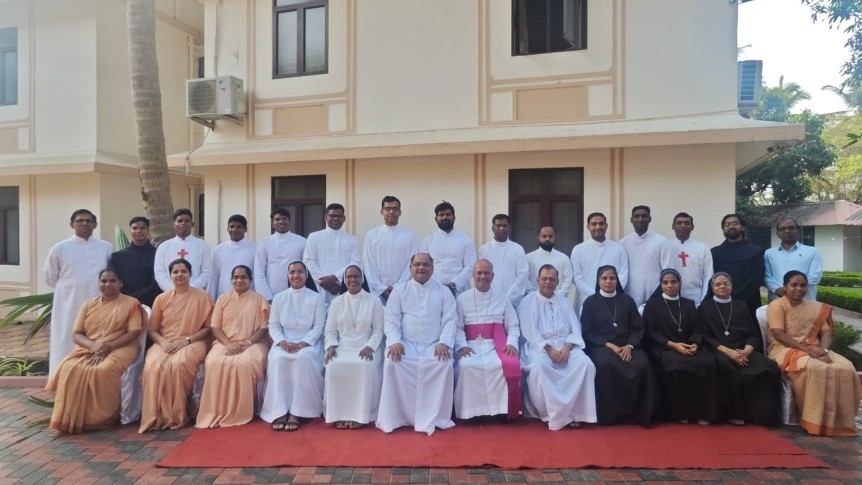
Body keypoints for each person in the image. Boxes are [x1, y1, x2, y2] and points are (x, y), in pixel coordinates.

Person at [45, 269, 143, 433]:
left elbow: (133, 333)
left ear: (121, 283)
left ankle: (103, 417)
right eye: (103, 281)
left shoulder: (131, 303)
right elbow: (76, 334)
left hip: (122, 346)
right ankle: (73, 417)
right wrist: (94, 346)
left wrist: (108, 347)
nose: (107, 284)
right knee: (69, 368)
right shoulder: (88, 305)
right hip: (90, 347)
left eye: (112, 281)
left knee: (103, 369)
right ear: (98, 284)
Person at [766, 270, 861, 436]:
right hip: (785, 349)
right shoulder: (777, 305)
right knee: (818, 369)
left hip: (815, 348)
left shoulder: (814, 307)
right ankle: (815, 421)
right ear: (785, 286)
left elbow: (826, 332)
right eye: (794, 285)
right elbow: (778, 334)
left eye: (803, 285)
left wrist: (824, 350)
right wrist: (807, 351)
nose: (799, 289)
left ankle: (841, 423)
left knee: (846, 368)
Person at [376, 252, 457, 435]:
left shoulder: (443, 291)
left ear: (432, 268)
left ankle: (435, 417)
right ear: (410, 268)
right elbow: (391, 321)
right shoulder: (400, 290)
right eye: (417, 264)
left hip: (434, 345)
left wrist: (444, 343)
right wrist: (395, 341)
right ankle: (397, 417)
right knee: (392, 363)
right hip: (406, 344)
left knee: (443, 364)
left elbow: (450, 320)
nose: (421, 268)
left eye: (426, 265)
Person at [518, 265, 597, 430]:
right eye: (544, 279)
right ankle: (549, 414)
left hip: (565, 345)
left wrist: (567, 347)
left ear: (557, 281)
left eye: (551, 279)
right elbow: (529, 331)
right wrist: (548, 349)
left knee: (585, 364)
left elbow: (575, 328)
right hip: (538, 347)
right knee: (540, 367)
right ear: (537, 280)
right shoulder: (528, 301)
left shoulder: (564, 301)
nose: (548, 282)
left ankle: (576, 413)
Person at [139, 259, 213, 432]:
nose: (180, 275)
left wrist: (186, 340)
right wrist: (164, 343)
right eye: (175, 272)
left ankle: (176, 414)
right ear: (170, 275)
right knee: (152, 366)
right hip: (165, 342)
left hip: (194, 341)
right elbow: (152, 330)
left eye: (183, 271)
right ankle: (156, 415)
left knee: (179, 364)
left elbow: (209, 328)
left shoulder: (202, 296)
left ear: (190, 274)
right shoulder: (161, 298)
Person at [581, 265, 657, 427]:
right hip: (602, 346)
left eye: (612, 278)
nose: (608, 281)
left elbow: (638, 328)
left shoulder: (627, 301)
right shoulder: (590, 302)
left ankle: (638, 414)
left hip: (628, 345)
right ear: (598, 281)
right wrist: (611, 346)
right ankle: (609, 415)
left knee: (642, 363)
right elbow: (588, 332)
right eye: (604, 278)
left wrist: (629, 345)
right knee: (605, 364)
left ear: (617, 280)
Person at [700, 272, 779, 426]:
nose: (722, 286)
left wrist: (747, 351)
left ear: (732, 286)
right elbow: (706, 336)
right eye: (718, 284)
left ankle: (759, 414)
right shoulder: (705, 308)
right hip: (719, 350)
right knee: (729, 369)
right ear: (712, 288)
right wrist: (729, 352)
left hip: (743, 350)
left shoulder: (741, 305)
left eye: (726, 283)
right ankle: (734, 414)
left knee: (768, 367)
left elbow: (753, 333)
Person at [196, 265, 270, 428]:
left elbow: (263, 328)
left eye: (243, 277)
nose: (239, 280)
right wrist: (228, 344)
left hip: (253, 343)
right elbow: (215, 327)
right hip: (225, 342)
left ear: (250, 280)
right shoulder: (223, 299)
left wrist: (248, 343)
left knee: (246, 363)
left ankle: (242, 411)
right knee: (213, 362)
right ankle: (218, 410)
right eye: (236, 277)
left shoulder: (259, 299)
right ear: (231, 280)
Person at [643, 269, 718, 424]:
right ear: (661, 285)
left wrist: (695, 344)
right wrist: (674, 346)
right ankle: (680, 413)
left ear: (680, 284)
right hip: (664, 347)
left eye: (673, 282)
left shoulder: (689, 304)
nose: (670, 285)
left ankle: (703, 413)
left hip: (689, 345)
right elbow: (650, 332)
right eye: (665, 282)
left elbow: (698, 328)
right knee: (679, 365)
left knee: (708, 362)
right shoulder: (652, 305)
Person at [44, 209, 114, 376]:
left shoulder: (106, 247)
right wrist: (71, 288)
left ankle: (91, 378)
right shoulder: (60, 248)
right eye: (80, 220)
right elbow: (50, 276)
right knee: (66, 338)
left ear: (95, 225)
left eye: (88, 221)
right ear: (72, 224)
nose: (84, 223)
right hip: (68, 303)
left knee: (97, 338)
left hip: (99, 303)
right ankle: (62, 377)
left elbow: (111, 273)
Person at [260, 261, 326, 431]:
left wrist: (303, 343)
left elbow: (319, 326)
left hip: (309, 343)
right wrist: (282, 342)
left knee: (301, 359)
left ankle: (298, 411)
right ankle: (280, 410)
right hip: (284, 342)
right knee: (279, 360)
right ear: (288, 275)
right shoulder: (279, 298)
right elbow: (274, 325)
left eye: (300, 272)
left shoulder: (317, 298)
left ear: (306, 275)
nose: (296, 275)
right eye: (292, 272)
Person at [454, 260, 521, 421]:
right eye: (479, 273)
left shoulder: (502, 297)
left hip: (496, 345)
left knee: (499, 365)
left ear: (493, 276)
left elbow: (513, 325)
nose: (483, 276)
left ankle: (501, 411)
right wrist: (461, 345)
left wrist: (511, 343)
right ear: (473, 275)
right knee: (467, 366)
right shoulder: (462, 299)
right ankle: (471, 413)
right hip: (470, 345)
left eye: (486, 273)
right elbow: (457, 327)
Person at [323, 265, 385, 429]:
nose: (352, 279)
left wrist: (370, 346)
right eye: (349, 276)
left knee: (364, 365)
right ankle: (339, 414)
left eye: (356, 276)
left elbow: (378, 331)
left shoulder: (374, 301)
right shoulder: (337, 302)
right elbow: (330, 331)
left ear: (362, 279)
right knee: (333, 365)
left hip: (367, 346)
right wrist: (331, 346)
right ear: (344, 280)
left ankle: (360, 414)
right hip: (342, 346)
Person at [362, 196, 418, 303]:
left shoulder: (410, 235)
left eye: (395, 209)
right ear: (381, 212)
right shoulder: (372, 235)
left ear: (400, 212)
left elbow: (412, 264)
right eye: (387, 209)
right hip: (377, 292)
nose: (391, 212)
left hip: (403, 290)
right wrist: (381, 289)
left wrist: (398, 287)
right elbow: (368, 264)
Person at [571, 212, 629, 313]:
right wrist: (596, 295)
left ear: (606, 226)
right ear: (588, 227)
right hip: (586, 299)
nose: (598, 227)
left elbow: (623, 274)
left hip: (613, 299)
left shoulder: (619, 249)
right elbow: (577, 277)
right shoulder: (578, 250)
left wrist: (609, 292)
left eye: (601, 224)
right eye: (594, 224)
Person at [711, 214, 764, 322]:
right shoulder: (714, 253)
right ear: (723, 229)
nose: (731, 226)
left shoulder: (756, 251)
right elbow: (712, 277)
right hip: (722, 301)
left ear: (742, 227)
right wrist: (725, 295)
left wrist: (736, 296)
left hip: (749, 302)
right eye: (727, 225)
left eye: (735, 223)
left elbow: (756, 278)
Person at [303, 203, 361, 304]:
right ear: (325, 217)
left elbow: (355, 263)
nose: (335, 219)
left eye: (339, 216)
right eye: (332, 216)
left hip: (342, 286)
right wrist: (324, 282)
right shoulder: (314, 237)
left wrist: (335, 278)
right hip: (319, 288)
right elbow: (308, 261)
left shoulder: (352, 240)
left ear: (344, 218)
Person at [418, 201, 477, 295]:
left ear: (454, 217)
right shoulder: (427, 241)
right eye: (441, 215)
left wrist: (454, 285)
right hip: (434, 290)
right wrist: (438, 285)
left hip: (460, 290)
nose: (445, 217)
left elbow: (471, 266)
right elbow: (424, 266)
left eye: (448, 214)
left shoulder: (466, 240)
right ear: (436, 219)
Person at [254, 208, 307, 302]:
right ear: (272, 223)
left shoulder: (302, 241)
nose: (281, 222)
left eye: (284, 218)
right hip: (270, 294)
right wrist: (267, 297)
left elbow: (306, 269)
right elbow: (259, 272)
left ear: (290, 221)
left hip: (296, 293)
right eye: (277, 219)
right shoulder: (264, 243)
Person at [764, 218, 823, 302]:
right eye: (782, 229)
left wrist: (793, 289)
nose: (787, 231)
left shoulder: (812, 252)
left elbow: (815, 276)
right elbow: (766, 276)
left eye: (791, 228)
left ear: (798, 231)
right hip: (777, 301)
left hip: (805, 302)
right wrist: (778, 289)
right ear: (777, 234)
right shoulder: (769, 253)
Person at [659, 212, 713, 304]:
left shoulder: (702, 248)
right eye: (679, 223)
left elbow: (708, 275)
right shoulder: (665, 246)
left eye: (687, 223)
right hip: (670, 295)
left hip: (695, 296)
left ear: (692, 227)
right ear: (673, 226)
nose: (683, 225)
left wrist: (704, 299)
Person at [154, 209, 212, 291]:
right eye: (179, 221)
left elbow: (206, 271)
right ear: (173, 224)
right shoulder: (163, 247)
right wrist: (174, 289)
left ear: (192, 224)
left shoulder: (202, 245)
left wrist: (192, 289)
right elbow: (159, 272)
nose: (183, 223)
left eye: (187, 221)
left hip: (195, 292)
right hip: (171, 292)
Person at [478, 214, 529, 307]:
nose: (501, 228)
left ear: (509, 228)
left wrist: (507, 298)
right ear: (492, 229)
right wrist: (493, 296)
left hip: (512, 302)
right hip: (489, 300)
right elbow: (482, 275)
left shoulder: (518, 249)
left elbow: (522, 276)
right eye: (498, 225)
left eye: (505, 226)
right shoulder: (483, 250)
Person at [109, 216, 161, 308]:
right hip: (124, 303)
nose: (138, 231)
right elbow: (114, 279)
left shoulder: (158, 254)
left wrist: (135, 297)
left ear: (148, 230)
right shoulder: (117, 257)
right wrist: (128, 297)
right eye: (135, 228)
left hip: (151, 302)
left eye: (142, 228)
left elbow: (157, 281)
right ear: (130, 231)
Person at [620, 206, 665, 308]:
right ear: (631, 220)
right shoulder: (623, 243)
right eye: (637, 216)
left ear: (650, 219)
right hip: (629, 295)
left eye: (644, 216)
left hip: (654, 295)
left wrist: (657, 294)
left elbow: (666, 271)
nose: (640, 219)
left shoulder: (661, 242)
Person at [210, 215, 257, 301]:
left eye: (239, 227)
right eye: (231, 226)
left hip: (249, 296)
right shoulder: (219, 249)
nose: (234, 229)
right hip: (224, 296)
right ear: (227, 229)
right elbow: (214, 277)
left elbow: (258, 275)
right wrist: (211, 299)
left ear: (245, 229)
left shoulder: (255, 248)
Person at [526, 226, 573, 298]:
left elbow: (568, 280)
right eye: (544, 236)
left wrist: (557, 296)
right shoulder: (528, 258)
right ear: (538, 238)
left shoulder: (564, 258)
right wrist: (535, 296)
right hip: (533, 299)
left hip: (558, 299)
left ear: (555, 238)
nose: (547, 239)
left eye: (550, 236)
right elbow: (525, 280)